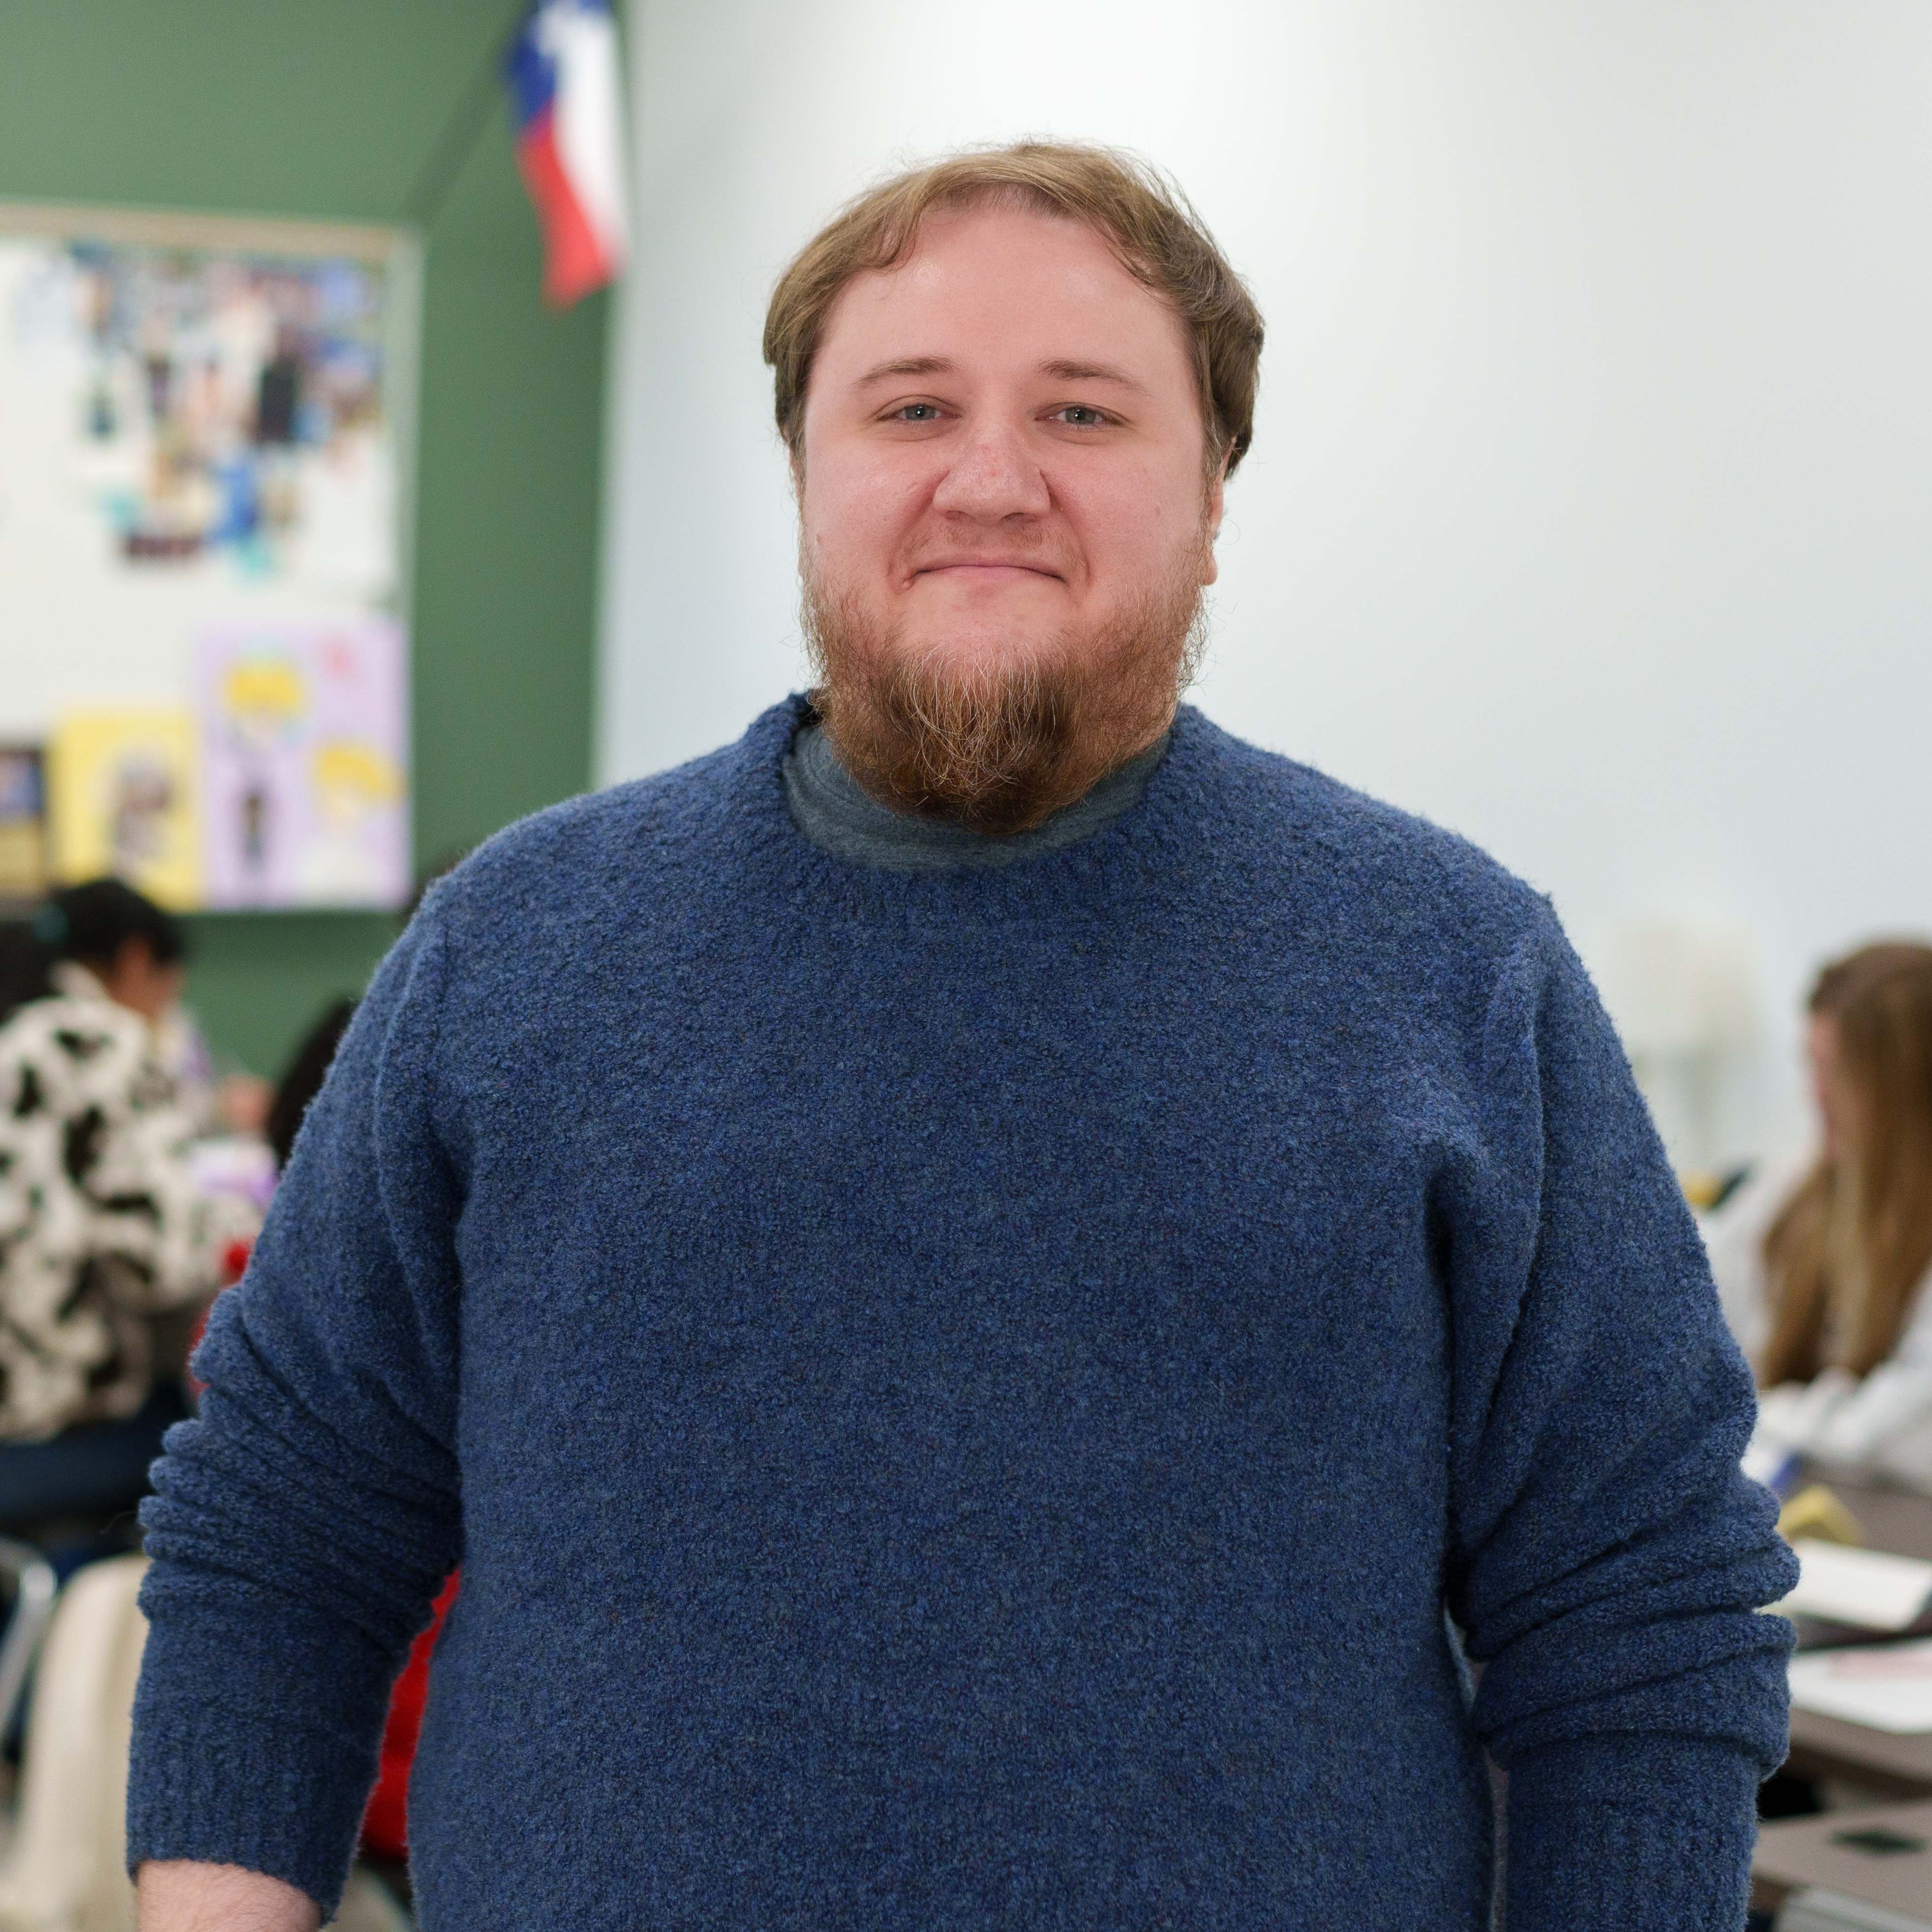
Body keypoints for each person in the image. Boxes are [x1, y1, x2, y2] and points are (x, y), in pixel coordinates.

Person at [129, 143, 1793, 1932]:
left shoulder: (1453, 974)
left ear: (1214, 489)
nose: (989, 479)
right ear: (803, 472)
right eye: (910, 405)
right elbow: (283, 1529)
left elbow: (1639, 1609)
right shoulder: (515, 952)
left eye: (1083, 413)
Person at [0, 881, 256, 1530]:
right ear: (138, 961)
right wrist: (237, 1219)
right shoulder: (102, 1040)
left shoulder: (18, 1025)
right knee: (236, 1454)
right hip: (56, 1420)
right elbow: (159, 1265)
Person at [1711, 941, 1932, 1480]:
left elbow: (1898, 1433)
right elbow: (1689, 1324)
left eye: (1839, 1073)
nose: (1817, 1095)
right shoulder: (1791, 1190)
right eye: (1811, 1064)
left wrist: (1759, 1421)